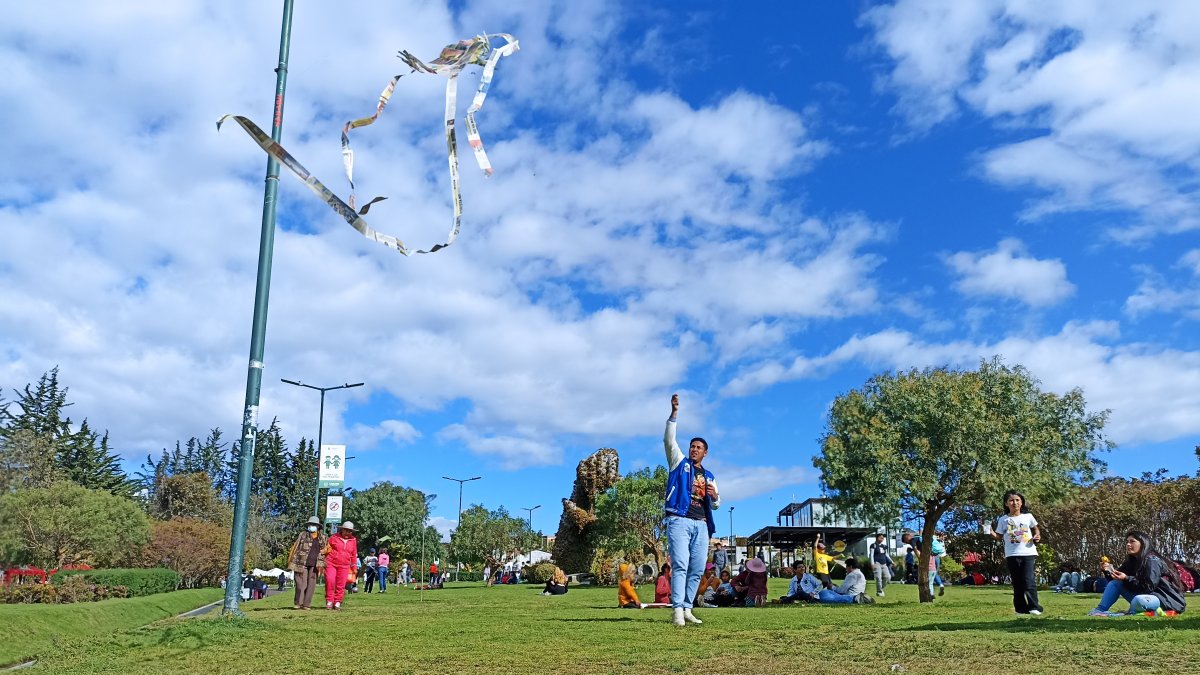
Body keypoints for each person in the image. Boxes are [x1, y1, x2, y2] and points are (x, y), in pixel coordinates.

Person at [663, 394, 720, 627]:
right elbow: (669, 440)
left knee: (697, 568)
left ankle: (687, 608)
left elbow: (716, 503)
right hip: (679, 519)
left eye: (699, 447)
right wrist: (674, 413)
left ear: (705, 452)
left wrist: (715, 498)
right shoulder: (679, 462)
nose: (694, 449)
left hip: (701, 524)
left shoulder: (709, 476)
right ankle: (677, 610)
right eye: (692, 446)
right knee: (681, 564)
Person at [1089, 531, 1187, 617]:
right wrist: (1107, 571)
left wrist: (1126, 578)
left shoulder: (1152, 560)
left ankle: (1130, 613)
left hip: (1165, 600)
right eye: (1127, 542)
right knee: (1115, 584)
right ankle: (1100, 610)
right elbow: (1117, 581)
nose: (1128, 544)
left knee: (1139, 600)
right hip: (1148, 596)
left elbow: (1148, 586)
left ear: (1143, 543)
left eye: (1132, 541)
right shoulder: (1131, 562)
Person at [991, 490, 1043, 615]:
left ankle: (1034, 607)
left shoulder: (1028, 516)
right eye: (1011, 500)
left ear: (1022, 502)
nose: (1015, 503)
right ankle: (1020, 609)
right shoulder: (1003, 519)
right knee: (1017, 582)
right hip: (1012, 554)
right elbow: (998, 536)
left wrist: (1037, 536)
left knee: (1029, 580)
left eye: (1017, 500)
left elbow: (1036, 530)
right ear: (1006, 503)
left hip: (1028, 553)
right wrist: (989, 531)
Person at [287, 515, 326, 610]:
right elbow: (295, 547)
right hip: (301, 563)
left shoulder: (323, 538)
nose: (311, 526)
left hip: (315, 564)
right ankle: (298, 603)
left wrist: (323, 557)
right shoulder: (303, 535)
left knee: (311, 585)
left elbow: (325, 549)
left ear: (318, 527)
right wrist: (291, 561)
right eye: (310, 524)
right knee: (301, 584)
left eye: (313, 525)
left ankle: (306, 604)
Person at [323, 521, 359, 610]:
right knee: (330, 581)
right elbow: (326, 549)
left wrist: (354, 567)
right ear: (342, 530)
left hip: (344, 565)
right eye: (346, 530)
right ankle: (329, 601)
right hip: (331, 563)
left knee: (341, 584)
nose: (348, 533)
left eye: (350, 531)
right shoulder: (334, 537)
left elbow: (354, 554)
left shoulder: (353, 540)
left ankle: (337, 602)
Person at [869, 533, 894, 597]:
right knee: (878, 578)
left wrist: (891, 561)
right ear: (877, 538)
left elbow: (886, 555)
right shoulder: (873, 545)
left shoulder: (884, 546)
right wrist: (872, 564)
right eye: (880, 537)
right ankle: (879, 592)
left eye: (883, 538)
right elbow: (871, 555)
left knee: (888, 577)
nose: (882, 539)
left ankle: (880, 588)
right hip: (877, 563)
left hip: (884, 563)